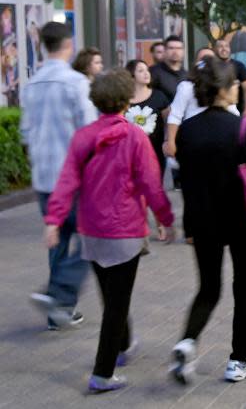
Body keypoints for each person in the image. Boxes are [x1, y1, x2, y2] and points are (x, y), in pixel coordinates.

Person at [43, 69, 175, 393]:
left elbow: (66, 182)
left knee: (112, 296)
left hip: (92, 230)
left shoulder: (83, 137)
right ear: (127, 98)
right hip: (125, 230)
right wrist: (165, 217)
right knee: (116, 304)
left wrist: (54, 220)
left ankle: (124, 345)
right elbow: (151, 183)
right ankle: (103, 373)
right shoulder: (135, 137)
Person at [170, 56, 246, 385]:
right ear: (224, 90)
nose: (238, 88)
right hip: (242, 220)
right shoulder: (242, 127)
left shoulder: (188, 131)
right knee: (245, 288)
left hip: (202, 220)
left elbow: (186, 177)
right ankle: (239, 360)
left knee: (208, 288)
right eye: (234, 84)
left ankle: (187, 341)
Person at [21, 22, 98, 330]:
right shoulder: (76, 83)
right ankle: (59, 294)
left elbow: (26, 133)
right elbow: (89, 132)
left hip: (43, 177)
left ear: (42, 45)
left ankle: (58, 309)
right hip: (73, 177)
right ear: (69, 45)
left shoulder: (31, 84)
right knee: (91, 240)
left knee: (58, 241)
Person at [126, 59, 171, 240]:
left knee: (155, 187)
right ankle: (140, 226)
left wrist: (168, 139)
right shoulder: (124, 99)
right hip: (131, 154)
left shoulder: (159, 96)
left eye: (147, 70)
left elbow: (169, 121)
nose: (146, 73)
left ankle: (160, 224)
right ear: (132, 76)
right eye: (140, 71)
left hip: (154, 152)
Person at [214, 38, 246, 116]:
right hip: (215, 112)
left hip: (237, 113)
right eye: (220, 46)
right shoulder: (211, 67)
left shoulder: (239, 66)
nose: (224, 49)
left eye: (226, 46)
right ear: (215, 49)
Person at [150, 35, 186, 102]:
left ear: (183, 51)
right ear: (165, 51)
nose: (175, 51)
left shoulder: (187, 75)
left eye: (179, 48)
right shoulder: (153, 72)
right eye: (171, 48)